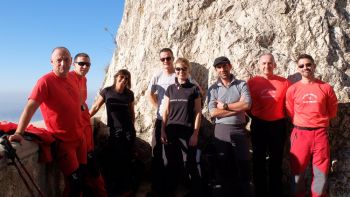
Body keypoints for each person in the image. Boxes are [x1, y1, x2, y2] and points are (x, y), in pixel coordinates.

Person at [9, 47, 87, 196]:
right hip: (64, 142)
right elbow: (30, 107)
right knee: (75, 184)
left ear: (71, 62)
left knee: (82, 177)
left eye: (66, 59)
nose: (63, 63)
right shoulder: (45, 82)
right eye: (58, 60)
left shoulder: (72, 78)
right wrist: (19, 132)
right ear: (52, 62)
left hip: (80, 137)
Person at [146, 48, 202, 196]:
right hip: (165, 123)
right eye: (163, 59)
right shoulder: (159, 77)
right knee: (160, 155)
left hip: (184, 125)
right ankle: (161, 187)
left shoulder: (190, 85)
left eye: (168, 58)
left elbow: (198, 104)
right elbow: (151, 95)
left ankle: (188, 187)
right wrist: (159, 108)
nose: (166, 61)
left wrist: (195, 132)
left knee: (186, 160)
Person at [286, 54, 338, 197]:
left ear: (314, 66)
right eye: (301, 66)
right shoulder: (293, 89)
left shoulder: (325, 88)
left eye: (308, 64)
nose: (305, 68)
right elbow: (290, 111)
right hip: (300, 134)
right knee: (297, 174)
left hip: (320, 134)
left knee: (321, 173)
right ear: (298, 69)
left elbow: (332, 112)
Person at [208, 56, 252, 197]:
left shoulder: (241, 84)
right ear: (216, 70)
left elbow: (247, 104)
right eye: (219, 67)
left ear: (230, 66)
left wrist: (226, 106)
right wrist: (237, 106)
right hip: (221, 130)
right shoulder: (213, 89)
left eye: (225, 66)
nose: (223, 69)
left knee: (243, 163)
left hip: (239, 129)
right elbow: (214, 112)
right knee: (223, 165)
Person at [247, 53, 290, 197]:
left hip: (277, 126)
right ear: (259, 65)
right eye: (264, 63)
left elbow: (289, 104)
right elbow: (247, 105)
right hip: (259, 125)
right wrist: (255, 117)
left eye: (270, 63)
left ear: (275, 65)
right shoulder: (252, 82)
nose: (267, 66)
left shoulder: (284, 82)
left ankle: (275, 192)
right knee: (258, 160)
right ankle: (260, 193)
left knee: (276, 161)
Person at [90, 69, 136, 197]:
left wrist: (131, 127)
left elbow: (132, 112)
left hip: (127, 131)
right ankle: (116, 188)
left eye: (126, 78)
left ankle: (126, 188)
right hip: (114, 131)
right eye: (121, 77)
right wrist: (85, 118)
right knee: (114, 159)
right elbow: (95, 106)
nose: (123, 80)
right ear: (116, 77)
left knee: (126, 159)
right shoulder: (107, 91)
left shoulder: (129, 94)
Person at [160, 58, 202, 196]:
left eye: (184, 68)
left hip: (187, 131)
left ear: (188, 70)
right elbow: (165, 111)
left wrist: (195, 133)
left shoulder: (194, 89)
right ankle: (170, 190)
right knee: (170, 162)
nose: (180, 71)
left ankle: (193, 190)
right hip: (171, 130)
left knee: (188, 163)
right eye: (178, 69)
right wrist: (162, 130)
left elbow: (198, 113)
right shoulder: (170, 89)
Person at [69, 53, 107, 197]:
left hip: (85, 129)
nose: (85, 67)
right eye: (81, 64)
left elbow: (81, 103)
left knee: (90, 166)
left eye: (88, 64)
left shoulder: (84, 79)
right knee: (79, 173)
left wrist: (86, 114)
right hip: (74, 133)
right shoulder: (69, 78)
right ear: (74, 64)